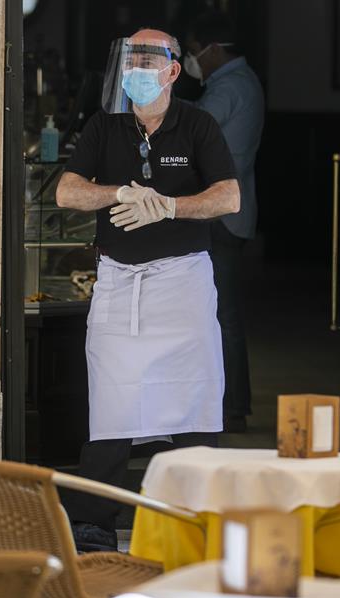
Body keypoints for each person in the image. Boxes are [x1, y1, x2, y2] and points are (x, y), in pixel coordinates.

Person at [56, 28, 240, 551]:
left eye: (147, 57)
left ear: (173, 70)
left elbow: (229, 197)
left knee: (194, 400)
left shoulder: (197, 124)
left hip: (182, 282)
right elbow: (69, 191)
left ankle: (196, 517)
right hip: (119, 281)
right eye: (130, 56)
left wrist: (169, 204)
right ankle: (93, 521)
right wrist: (121, 192)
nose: (136, 66)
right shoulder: (105, 125)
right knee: (111, 401)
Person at [184, 11, 264, 432]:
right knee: (220, 312)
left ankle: (232, 408)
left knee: (223, 315)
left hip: (222, 213)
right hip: (229, 209)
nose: (192, 59)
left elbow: (195, 130)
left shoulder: (230, 86)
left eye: (193, 51)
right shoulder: (233, 83)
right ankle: (227, 404)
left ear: (213, 49)